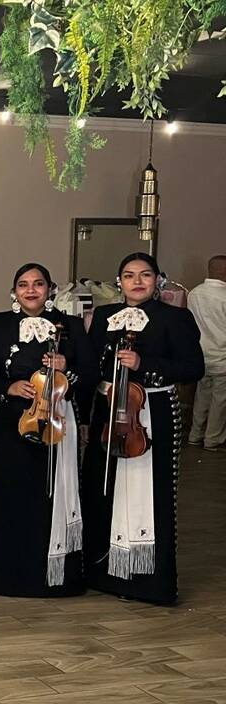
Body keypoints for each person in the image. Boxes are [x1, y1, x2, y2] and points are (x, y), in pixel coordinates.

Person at [81, 253, 204, 605]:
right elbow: (92, 369)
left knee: (149, 491)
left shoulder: (176, 318)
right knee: (101, 487)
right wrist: (88, 417)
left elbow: (193, 367)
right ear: (118, 281)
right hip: (107, 412)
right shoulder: (104, 316)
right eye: (129, 275)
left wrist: (144, 363)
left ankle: (147, 580)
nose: (137, 281)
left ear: (157, 280)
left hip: (151, 412)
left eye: (145, 275)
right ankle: (103, 571)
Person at [0, 263, 94, 597]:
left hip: (57, 419)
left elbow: (89, 375)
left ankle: (53, 575)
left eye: (38, 284)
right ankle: (4, 576)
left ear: (50, 289)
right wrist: (9, 386)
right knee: (10, 495)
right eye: (23, 284)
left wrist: (66, 367)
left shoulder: (70, 325)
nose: (30, 290)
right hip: (9, 424)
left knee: (49, 496)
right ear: (14, 291)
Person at [188, 255, 226, 450]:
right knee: (220, 402)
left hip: (200, 356)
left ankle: (195, 434)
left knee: (201, 397)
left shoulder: (194, 293)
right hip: (222, 357)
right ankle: (213, 439)